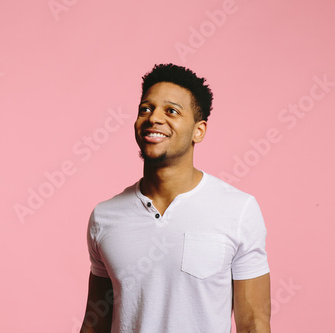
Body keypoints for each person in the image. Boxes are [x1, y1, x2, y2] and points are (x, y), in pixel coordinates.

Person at [80, 64, 271, 333]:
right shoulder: (105, 217)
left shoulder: (238, 210)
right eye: (145, 109)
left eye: (171, 111)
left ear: (199, 131)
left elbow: (253, 324)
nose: (153, 118)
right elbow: (95, 324)